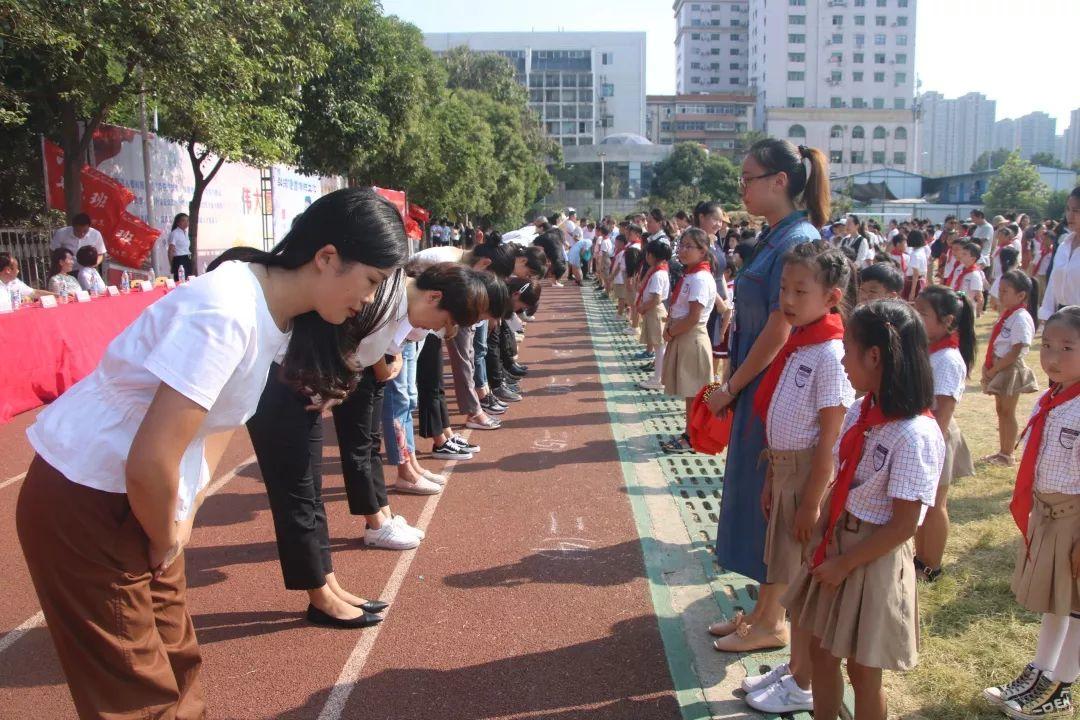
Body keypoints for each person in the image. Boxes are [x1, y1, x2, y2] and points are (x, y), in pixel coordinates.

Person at [15, 187, 408, 719]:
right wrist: (166, 533)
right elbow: (150, 457)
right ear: (327, 258)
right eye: (371, 282)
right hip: (88, 495)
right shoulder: (224, 311)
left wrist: (185, 516)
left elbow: (221, 423)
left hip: (144, 495)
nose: (369, 300)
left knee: (178, 662)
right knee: (136, 693)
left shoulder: (274, 313)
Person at [783, 300, 944, 720]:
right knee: (821, 651)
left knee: (863, 671)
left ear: (874, 356)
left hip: (870, 558)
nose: (842, 358)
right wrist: (821, 531)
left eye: (848, 349)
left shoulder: (915, 434)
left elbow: (905, 523)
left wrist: (845, 562)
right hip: (839, 543)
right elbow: (843, 477)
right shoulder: (863, 409)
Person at [706, 138, 830, 651]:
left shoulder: (795, 240)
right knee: (757, 498)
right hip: (761, 386)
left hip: (776, 386)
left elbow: (780, 324)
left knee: (774, 504)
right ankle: (761, 610)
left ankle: (771, 622)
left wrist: (733, 385)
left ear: (780, 181)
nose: (742, 187)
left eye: (749, 178)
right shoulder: (777, 235)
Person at [737, 242, 855, 713]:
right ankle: (795, 667)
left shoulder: (829, 353)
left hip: (809, 477)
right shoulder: (800, 342)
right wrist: (773, 479)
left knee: (802, 587)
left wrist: (811, 500)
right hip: (785, 471)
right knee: (790, 579)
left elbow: (829, 437)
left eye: (800, 290)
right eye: (784, 288)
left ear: (832, 296)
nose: (787, 298)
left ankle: (803, 682)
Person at [984, 306, 1080, 717]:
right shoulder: (1053, 396)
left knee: (1075, 607)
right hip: (1049, 514)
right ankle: (1041, 670)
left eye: (1068, 348)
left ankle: (1063, 683)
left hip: (1074, 519)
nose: (1053, 358)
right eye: (1048, 346)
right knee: (1054, 601)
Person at [912, 285, 976, 582]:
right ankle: (920, 557)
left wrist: (928, 450)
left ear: (948, 321)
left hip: (936, 438)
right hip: (924, 435)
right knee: (922, 503)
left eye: (922, 313)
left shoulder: (948, 359)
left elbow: (943, 412)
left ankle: (931, 565)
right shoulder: (929, 349)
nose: (915, 316)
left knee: (935, 504)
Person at [659, 229, 717, 452]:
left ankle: (692, 439)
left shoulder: (701, 278)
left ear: (703, 251)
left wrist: (671, 333)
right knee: (690, 393)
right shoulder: (691, 274)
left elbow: (694, 317)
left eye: (689, 246)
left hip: (690, 338)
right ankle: (689, 434)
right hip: (683, 336)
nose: (682, 250)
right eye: (681, 245)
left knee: (694, 393)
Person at [981, 270, 1041, 467]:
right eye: (1000, 290)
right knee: (1001, 410)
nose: (1001, 294)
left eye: (1005, 291)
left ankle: (1007, 454)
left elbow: (1016, 350)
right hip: (1000, 365)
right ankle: (1002, 451)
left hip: (1009, 367)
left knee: (1008, 411)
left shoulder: (1021, 317)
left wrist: (994, 369)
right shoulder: (1008, 314)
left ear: (1021, 295)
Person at [1039, 187, 1080, 321]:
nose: (1070, 215)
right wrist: (1047, 315)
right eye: (1068, 209)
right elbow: (1053, 283)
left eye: (1076, 210)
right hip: (1061, 318)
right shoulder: (1064, 246)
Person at [637, 239, 672, 392]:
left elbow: (656, 298)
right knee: (659, 347)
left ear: (652, 255)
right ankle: (658, 376)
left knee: (659, 347)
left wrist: (643, 307)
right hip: (653, 311)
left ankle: (659, 379)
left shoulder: (658, 274)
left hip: (655, 311)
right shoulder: (658, 270)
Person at [947, 240, 986, 315]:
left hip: (966, 309)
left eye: (964, 254)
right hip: (956, 305)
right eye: (962, 253)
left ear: (973, 259)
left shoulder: (974, 275)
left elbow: (979, 296)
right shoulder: (960, 269)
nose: (961, 256)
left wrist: (978, 313)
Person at [904, 229, 928, 302]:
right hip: (921, 280)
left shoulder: (915, 254)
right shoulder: (922, 250)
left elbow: (916, 273)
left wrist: (912, 292)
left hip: (914, 282)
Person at [168, 213, 194, 281]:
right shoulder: (175, 233)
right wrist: (172, 265)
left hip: (187, 258)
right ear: (178, 222)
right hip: (179, 260)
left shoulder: (185, 232)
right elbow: (170, 250)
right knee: (181, 281)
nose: (186, 223)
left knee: (189, 280)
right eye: (183, 220)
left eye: (187, 220)